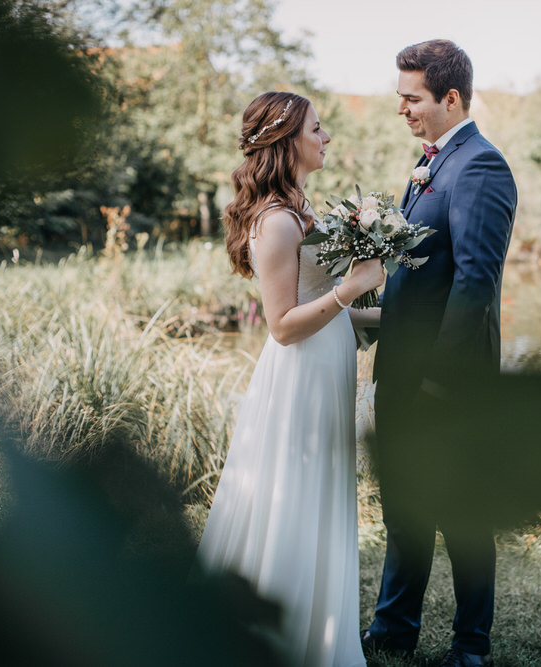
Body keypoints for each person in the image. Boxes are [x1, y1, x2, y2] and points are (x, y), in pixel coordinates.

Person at [195, 91, 384, 667]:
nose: (327, 139)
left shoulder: (303, 208)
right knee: (295, 501)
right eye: (318, 129)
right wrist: (351, 287)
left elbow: (321, 311)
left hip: (326, 368)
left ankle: (318, 634)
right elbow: (282, 326)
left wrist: (390, 317)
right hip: (298, 378)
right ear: (286, 143)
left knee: (321, 497)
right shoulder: (275, 221)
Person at [363, 40, 517, 667]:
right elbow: (419, 278)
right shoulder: (432, 163)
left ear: (450, 98)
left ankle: (471, 646)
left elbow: (474, 282)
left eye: (411, 98)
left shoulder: (480, 166)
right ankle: (394, 629)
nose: (401, 109)